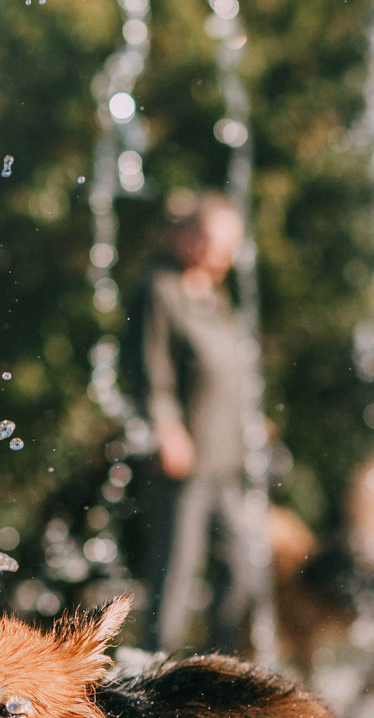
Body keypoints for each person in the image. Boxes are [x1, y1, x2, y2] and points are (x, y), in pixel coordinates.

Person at [127, 191, 254, 653]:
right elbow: (149, 369)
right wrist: (167, 427)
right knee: (175, 571)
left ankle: (220, 671)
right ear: (186, 237)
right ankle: (158, 678)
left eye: (229, 245)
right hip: (185, 455)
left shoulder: (215, 296)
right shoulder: (160, 290)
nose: (223, 254)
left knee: (240, 568)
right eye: (215, 242)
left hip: (224, 458)